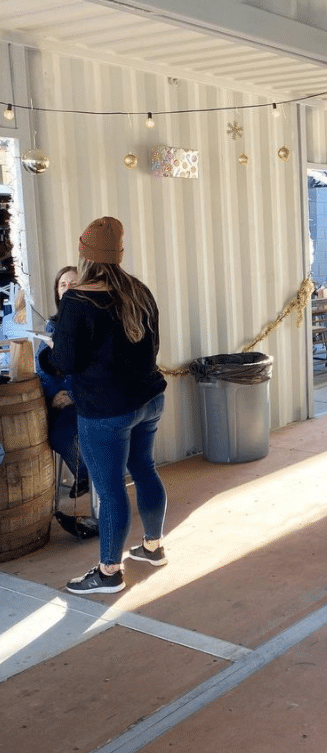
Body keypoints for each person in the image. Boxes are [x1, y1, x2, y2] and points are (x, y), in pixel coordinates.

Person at [53, 217, 169, 594]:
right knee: (146, 470)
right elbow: (152, 347)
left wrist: (45, 357)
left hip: (105, 411)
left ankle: (108, 572)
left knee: (110, 488)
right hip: (148, 399)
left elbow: (64, 363)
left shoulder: (77, 299)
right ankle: (152, 547)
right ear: (118, 253)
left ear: (84, 255)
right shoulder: (139, 291)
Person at [36, 265, 90, 498]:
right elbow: (43, 368)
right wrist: (54, 396)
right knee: (61, 432)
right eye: (63, 284)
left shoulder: (93, 322)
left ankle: (92, 478)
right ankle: (87, 475)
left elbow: (95, 367)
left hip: (89, 396)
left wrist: (75, 394)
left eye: (73, 284)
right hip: (64, 400)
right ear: (57, 292)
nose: (67, 288)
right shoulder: (52, 326)